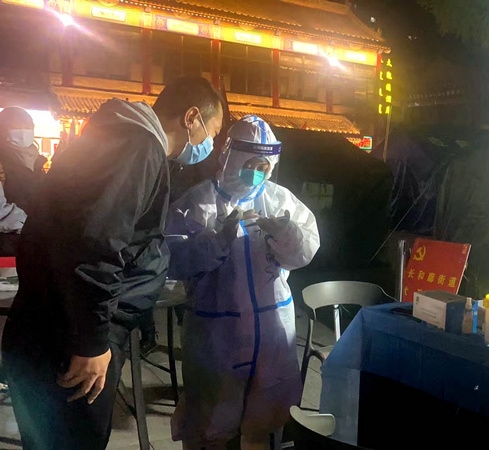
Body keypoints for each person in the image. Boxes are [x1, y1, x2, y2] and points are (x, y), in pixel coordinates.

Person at [1, 75, 224, 450]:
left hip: (54, 329)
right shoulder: (138, 147)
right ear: (191, 118)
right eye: (212, 132)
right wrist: (90, 343)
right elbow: (96, 244)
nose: (209, 145)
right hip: (69, 342)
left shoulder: (120, 138)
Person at [166, 115, 319, 450]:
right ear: (231, 158)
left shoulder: (279, 200)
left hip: (272, 330)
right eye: (250, 164)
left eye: (264, 167)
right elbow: (172, 260)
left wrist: (286, 234)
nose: (257, 173)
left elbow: (305, 251)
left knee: (265, 421)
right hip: (218, 335)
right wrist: (215, 241)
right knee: (211, 421)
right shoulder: (197, 203)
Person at [0, 107, 48, 214]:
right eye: (15, 127)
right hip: (15, 223)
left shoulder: (37, 162)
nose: (23, 132)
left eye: (27, 127)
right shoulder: (2, 163)